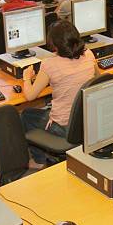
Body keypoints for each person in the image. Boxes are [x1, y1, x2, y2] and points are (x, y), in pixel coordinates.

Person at [21, 21, 97, 168]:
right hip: (87, 120)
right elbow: (97, 79)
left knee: (26, 115)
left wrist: (26, 77)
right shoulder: (89, 54)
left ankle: (38, 161)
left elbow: (30, 96)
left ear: (54, 45)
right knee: (47, 108)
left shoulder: (50, 64)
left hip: (64, 127)